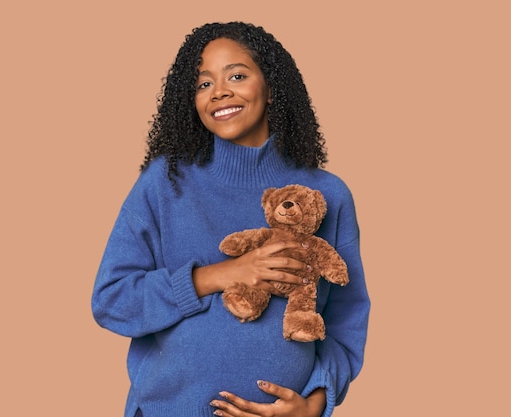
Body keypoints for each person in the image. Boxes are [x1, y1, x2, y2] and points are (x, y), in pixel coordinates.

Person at [92, 21, 370, 417]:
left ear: (272, 88)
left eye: (236, 76)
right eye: (203, 84)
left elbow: (346, 320)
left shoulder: (325, 196)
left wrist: (315, 404)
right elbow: (111, 300)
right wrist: (221, 275)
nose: (219, 91)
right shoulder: (164, 182)